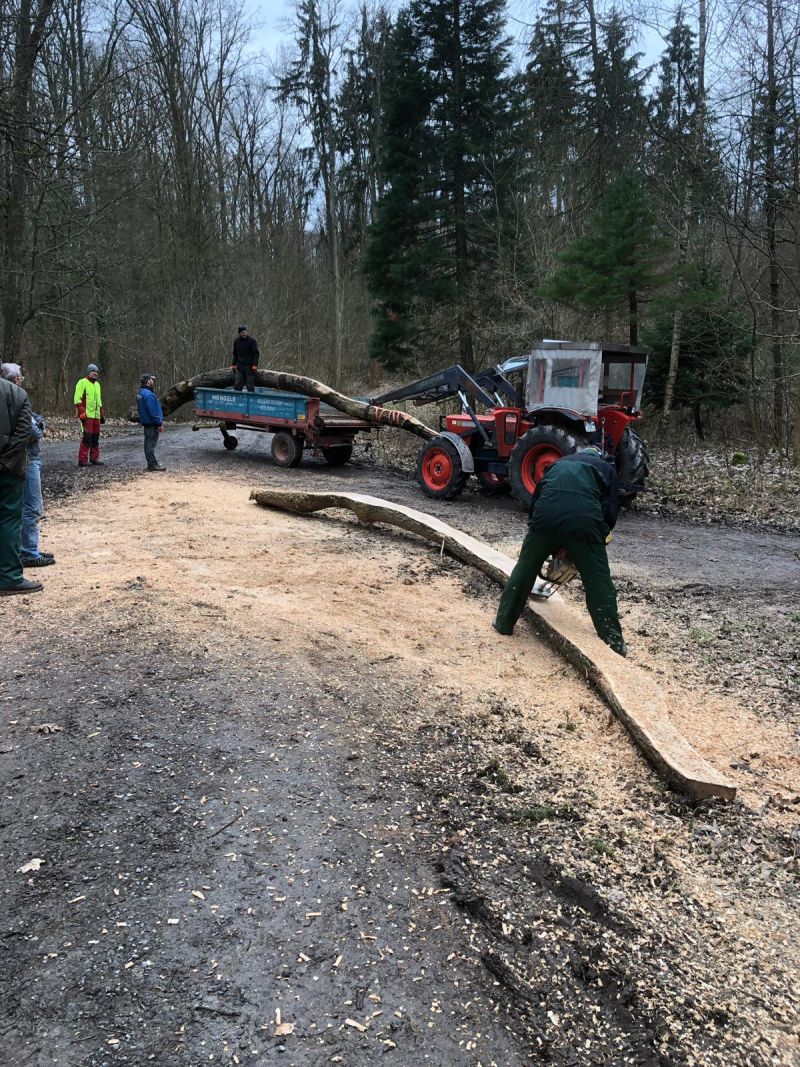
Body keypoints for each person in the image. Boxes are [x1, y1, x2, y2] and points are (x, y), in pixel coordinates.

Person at [494, 445, 627, 656]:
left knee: (525, 570)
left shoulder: (558, 464)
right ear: (598, 455)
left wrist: (542, 534)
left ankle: (503, 623)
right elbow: (610, 509)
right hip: (585, 523)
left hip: (544, 519)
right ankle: (614, 642)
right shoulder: (605, 468)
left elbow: (537, 499)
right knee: (598, 582)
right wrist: (599, 536)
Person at [1, 363, 54, 568]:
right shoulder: (16, 398)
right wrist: (39, 425)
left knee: (24, 507)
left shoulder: (9, 398)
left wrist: (37, 422)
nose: (22, 380)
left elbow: (35, 420)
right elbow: (33, 431)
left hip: (25, 458)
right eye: (20, 377)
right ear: (15, 379)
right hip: (27, 459)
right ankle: (29, 552)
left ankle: (29, 549)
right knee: (32, 506)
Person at [0, 368, 42, 595]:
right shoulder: (17, 394)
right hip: (9, 470)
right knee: (8, 519)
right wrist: (6, 462)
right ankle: (9, 577)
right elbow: (25, 432)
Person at [74, 362, 105, 467]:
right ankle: (82, 460)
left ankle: (94, 458)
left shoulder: (97, 385)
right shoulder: (82, 382)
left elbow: (99, 401)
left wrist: (101, 413)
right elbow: (77, 399)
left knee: (95, 437)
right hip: (87, 415)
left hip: (96, 416)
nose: (95, 373)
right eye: (93, 371)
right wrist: (82, 412)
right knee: (87, 437)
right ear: (89, 372)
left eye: (97, 371)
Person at [136, 374, 166, 471]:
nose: (153, 381)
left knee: (147, 444)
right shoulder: (149, 394)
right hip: (152, 423)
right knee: (151, 444)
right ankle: (153, 464)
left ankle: (150, 464)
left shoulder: (140, 393)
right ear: (148, 381)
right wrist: (159, 423)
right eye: (151, 379)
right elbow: (153, 411)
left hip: (146, 422)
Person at [231, 325, 259, 392]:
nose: (244, 333)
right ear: (239, 333)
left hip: (250, 367)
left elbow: (256, 354)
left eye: (245, 332)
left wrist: (254, 365)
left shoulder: (252, 341)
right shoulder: (236, 341)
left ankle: (251, 398)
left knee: (250, 385)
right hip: (240, 367)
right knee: (237, 385)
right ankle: (237, 397)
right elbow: (235, 354)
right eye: (242, 332)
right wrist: (233, 364)